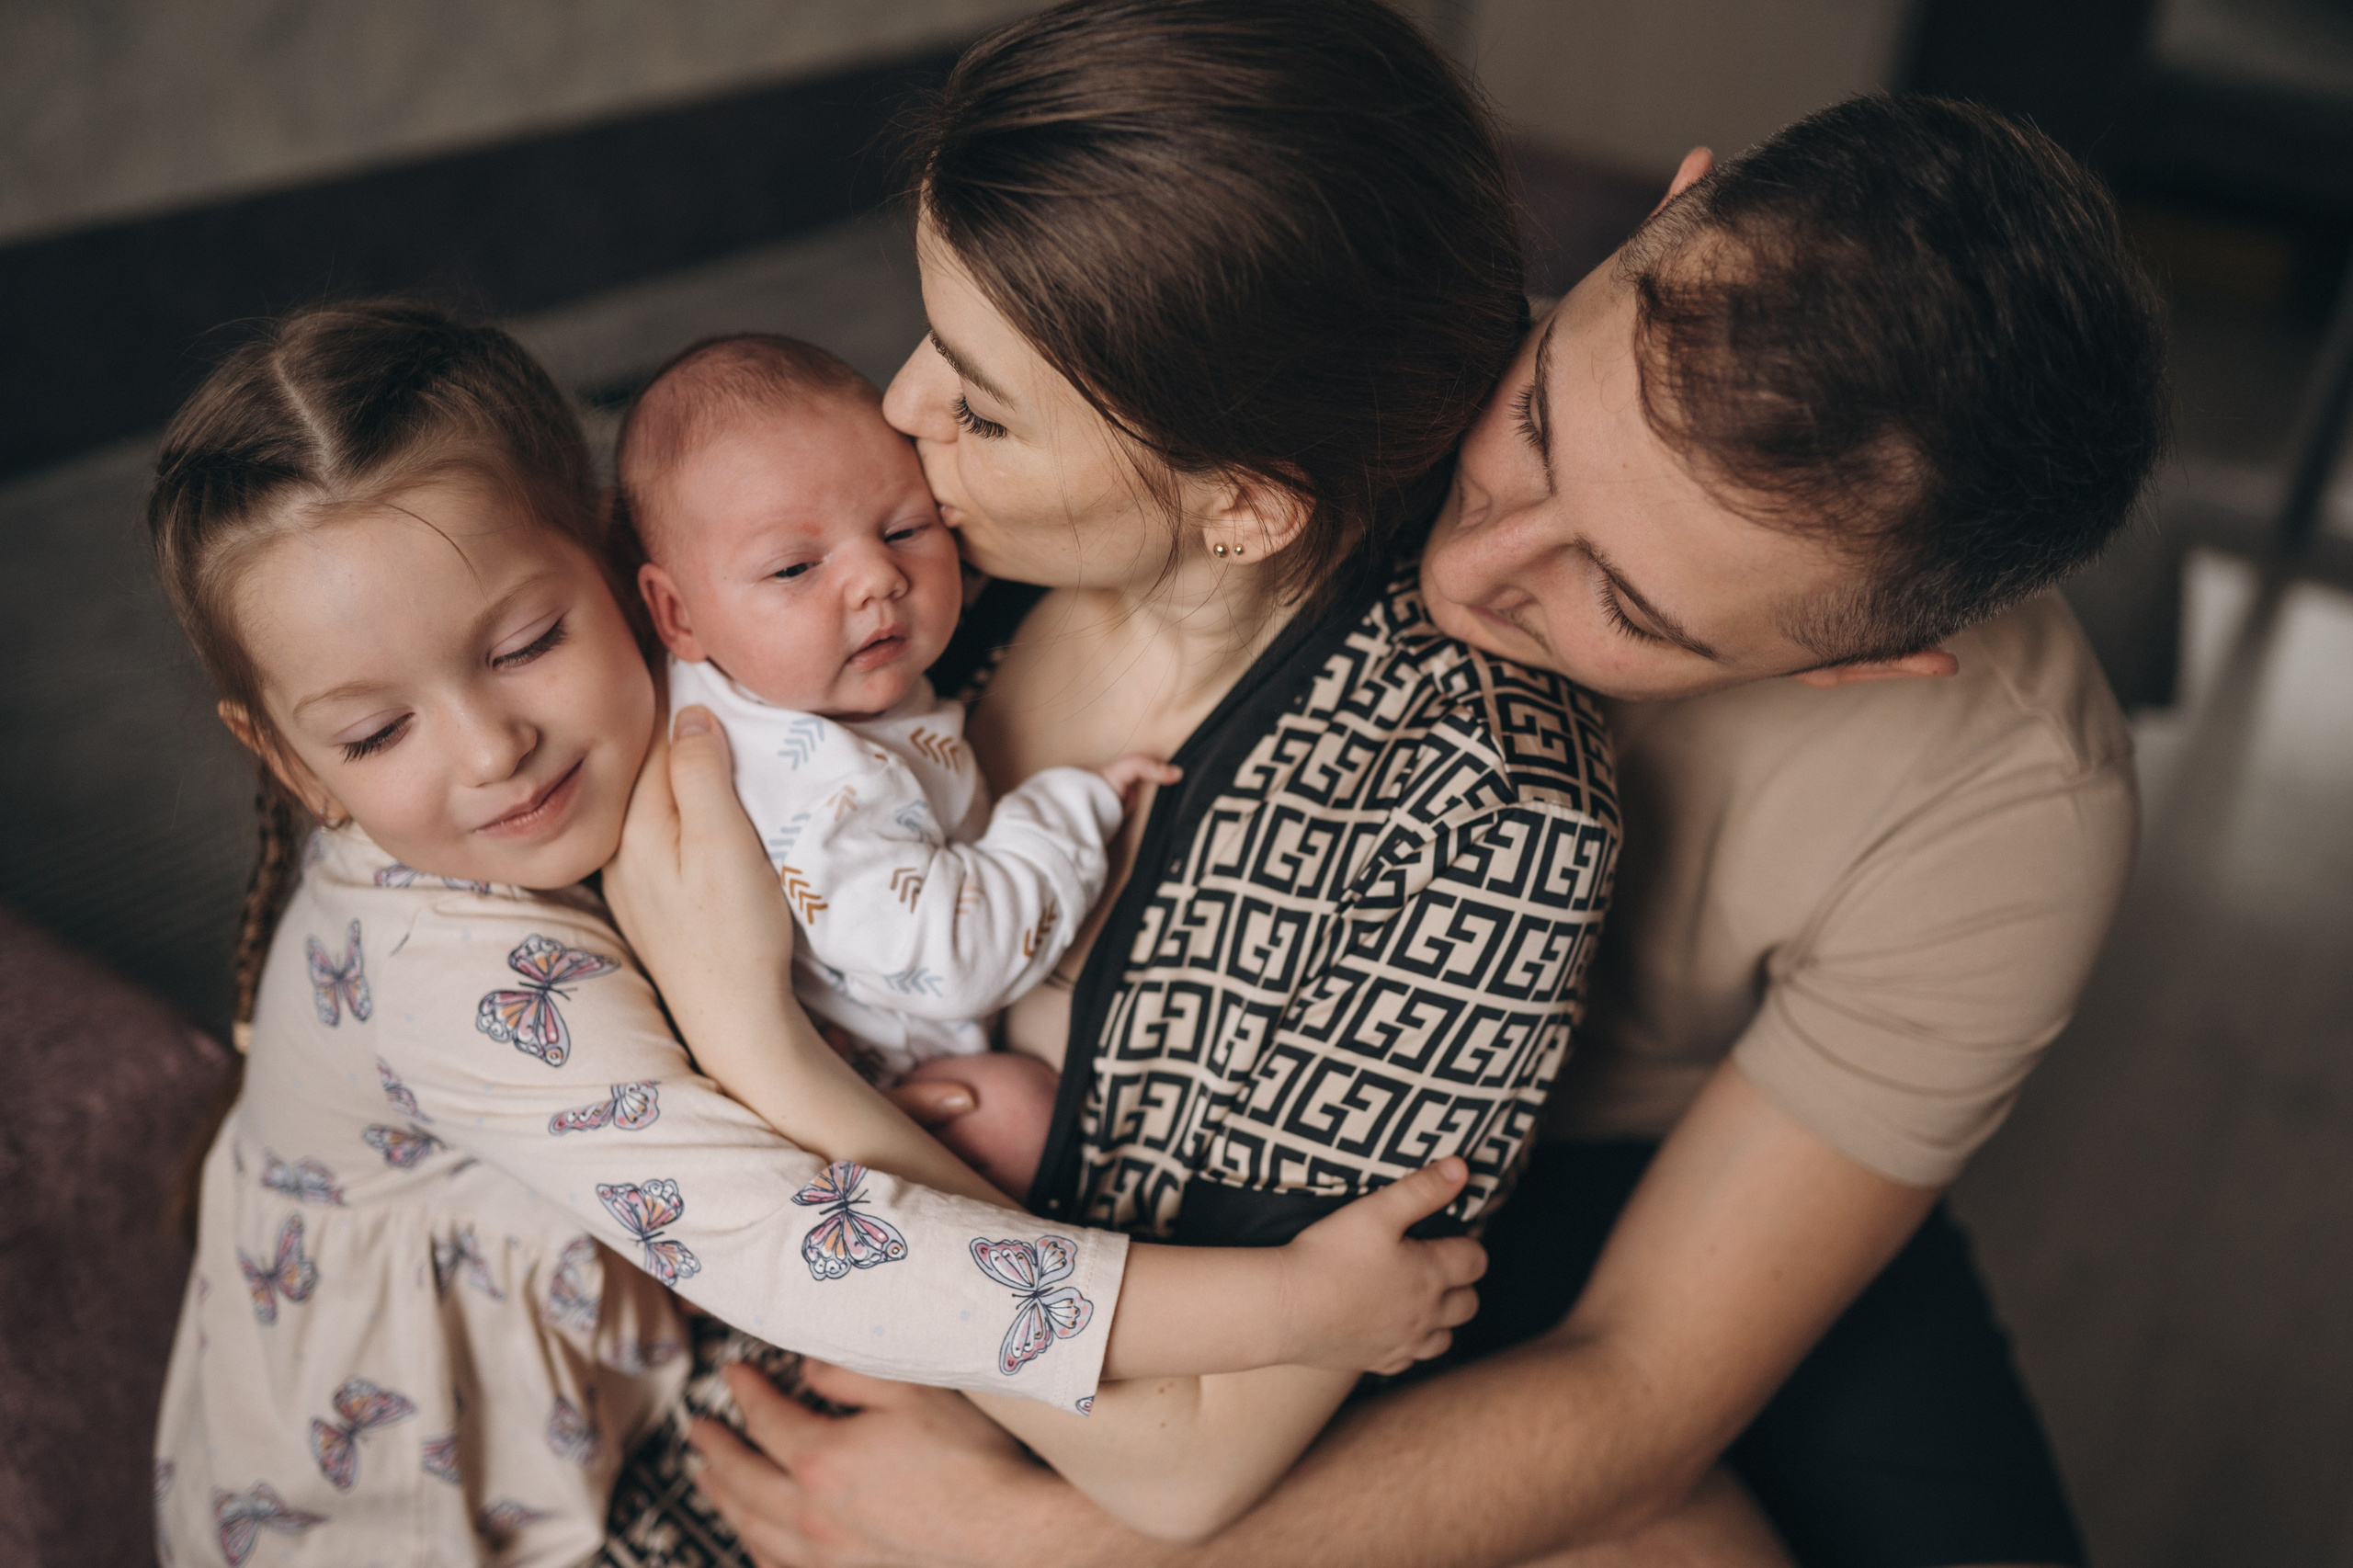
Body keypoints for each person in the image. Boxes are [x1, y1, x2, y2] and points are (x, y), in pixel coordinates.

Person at [660, 49, 2167, 1568]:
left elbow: (1642, 1389)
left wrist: (1035, 1546)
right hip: (1295, 1162)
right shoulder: (1329, 381)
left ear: (1863, 661)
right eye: (1538, 430)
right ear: (1667, 215)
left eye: (1628, 604)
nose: (1478, 562)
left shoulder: (2012, 806)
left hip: (1658, 1148)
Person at [144, 300, 1492, 1566]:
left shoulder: (737, 686)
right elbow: (799, 1246)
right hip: (392, 1509)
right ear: (292, 765)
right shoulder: (458, 976)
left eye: (526, 642)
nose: (493, 748)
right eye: (376, 732)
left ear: (633, 577)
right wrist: (1296, 1306)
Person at [594, 0, 1621, 1549]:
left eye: (983, 405)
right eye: (931, 327)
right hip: (673, 1372)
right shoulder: (909, 557)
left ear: (1239, 507)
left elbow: (1184, 1464)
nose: (900, 409)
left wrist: (761, 1052)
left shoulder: (1476, 822)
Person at [624, 332, 1175, 1195]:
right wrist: (1067, 813)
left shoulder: (717, 664)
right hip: (857, 1082)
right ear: (677, 612)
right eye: (796, 567)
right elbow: (954, 959)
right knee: (1021, 1113)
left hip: (809, 1029)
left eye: (906, 527)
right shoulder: (829, 786)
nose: (877, 578)